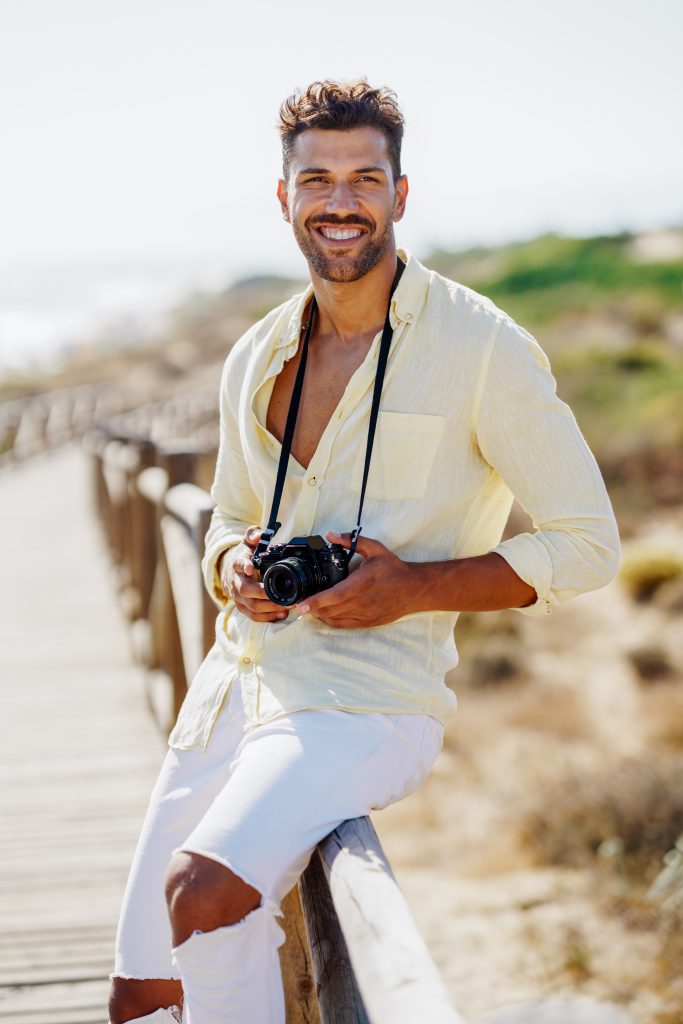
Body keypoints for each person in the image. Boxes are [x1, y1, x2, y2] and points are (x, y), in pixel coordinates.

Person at [108, 80, 620, 1024]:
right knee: (142, 994)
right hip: (236, 686)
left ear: (399, 193)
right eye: (317, 180)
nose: (340, 201)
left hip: (366, 700)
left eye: (364, 178)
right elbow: (224, 515)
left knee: (206, 898)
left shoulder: (482, 349)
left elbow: (588, 546)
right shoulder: (256, 353)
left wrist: (411, 587)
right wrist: (232, 570)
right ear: (284, 196)